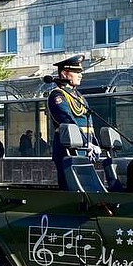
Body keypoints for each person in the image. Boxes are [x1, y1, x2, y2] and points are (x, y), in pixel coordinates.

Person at [46, 54, 100, 188]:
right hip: (69, 149)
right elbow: (66, 118)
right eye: (76, 72)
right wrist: (86, 142)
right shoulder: (57, 95)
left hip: (84, 149)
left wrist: (93, 143)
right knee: (72, 190)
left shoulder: (78, 96)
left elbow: (89, 123)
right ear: (64, 74)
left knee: (87, 189)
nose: (80, 75)